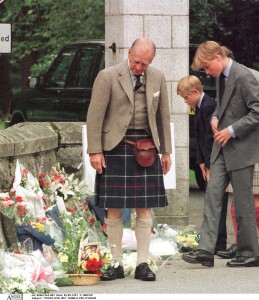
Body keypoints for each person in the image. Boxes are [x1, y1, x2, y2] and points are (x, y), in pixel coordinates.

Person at [86, 37, 172, 281]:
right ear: (129, 54)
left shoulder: (157, 77)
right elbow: (95, 116)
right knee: (113, 209)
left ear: (151, 61)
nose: (139, 68)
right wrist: (95, 150)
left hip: (147, 148)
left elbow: (162, 116)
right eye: (136, 62)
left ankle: (142, 263)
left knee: (144, 209)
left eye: (144, 64)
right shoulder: (108, 76)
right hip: (115, 147)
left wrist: (166, 151)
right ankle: (115, 264)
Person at [181, 40, 259, 268]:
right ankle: (206, 251)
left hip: (242, 148)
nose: (207, 73)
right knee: (212, 195)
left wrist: (231, 130)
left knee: (242, 202)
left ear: (218, 57)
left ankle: (249, 253)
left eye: (208, 67)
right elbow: (222, 104)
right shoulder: (222, 77)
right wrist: (214, 116)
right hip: (222, 147)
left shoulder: (244, 75)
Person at [216, 46, 259, 260]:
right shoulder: (223, 80)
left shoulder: (257, 78)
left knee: (253, 195)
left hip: (255, 140)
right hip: (234, 143)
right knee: (238, 196)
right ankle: (241, 243)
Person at [177, 75, 228, 253]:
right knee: (211, 200)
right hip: (205, 158)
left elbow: (209, 138)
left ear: (196, 92)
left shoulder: (208, 106)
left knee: (216, 200)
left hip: (213, 158)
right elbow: (199, 137)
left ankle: (219, 241)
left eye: (186, 97)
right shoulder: (199, 106)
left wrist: (207, 164)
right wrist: (199, 162)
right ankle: (213, 240)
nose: (185, 101)